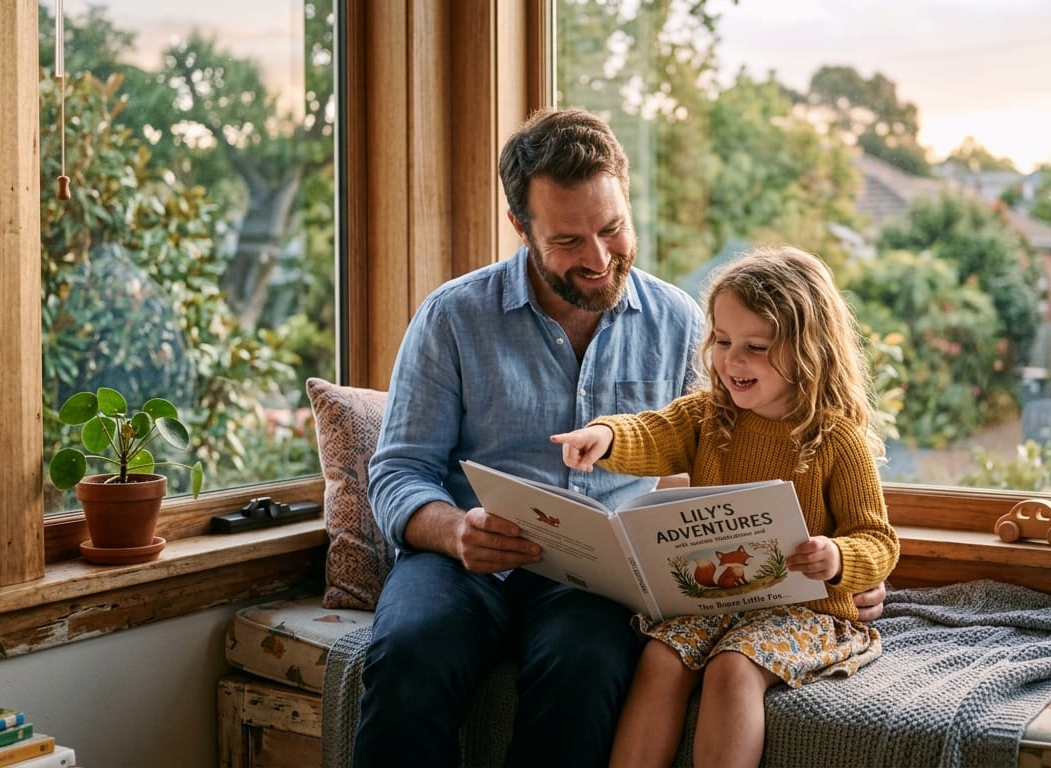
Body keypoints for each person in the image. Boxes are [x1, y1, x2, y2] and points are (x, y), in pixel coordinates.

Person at [356, 107, 887, 767]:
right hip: (460, 564)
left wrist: (837, 570)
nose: (599, 258)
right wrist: (454, 530)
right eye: (569, 241)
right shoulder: (453, 318)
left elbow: (729, 456)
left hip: (592, 580)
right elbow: (399, 471)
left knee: (587, 670)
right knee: (409, 653)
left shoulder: (681, 323)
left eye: (612, 229)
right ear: (521, 227)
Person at [552, 245, 900, 768]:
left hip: (805, 612)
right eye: (721, 340)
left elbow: (877, 539)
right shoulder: (709, 416)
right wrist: (604, 434)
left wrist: (837, 557)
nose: (732, 360)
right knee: (662, 656)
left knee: (733, 667)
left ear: (809, 352)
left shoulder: (835, 440)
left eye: (756, 346)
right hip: (717, 601)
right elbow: (653, 430)